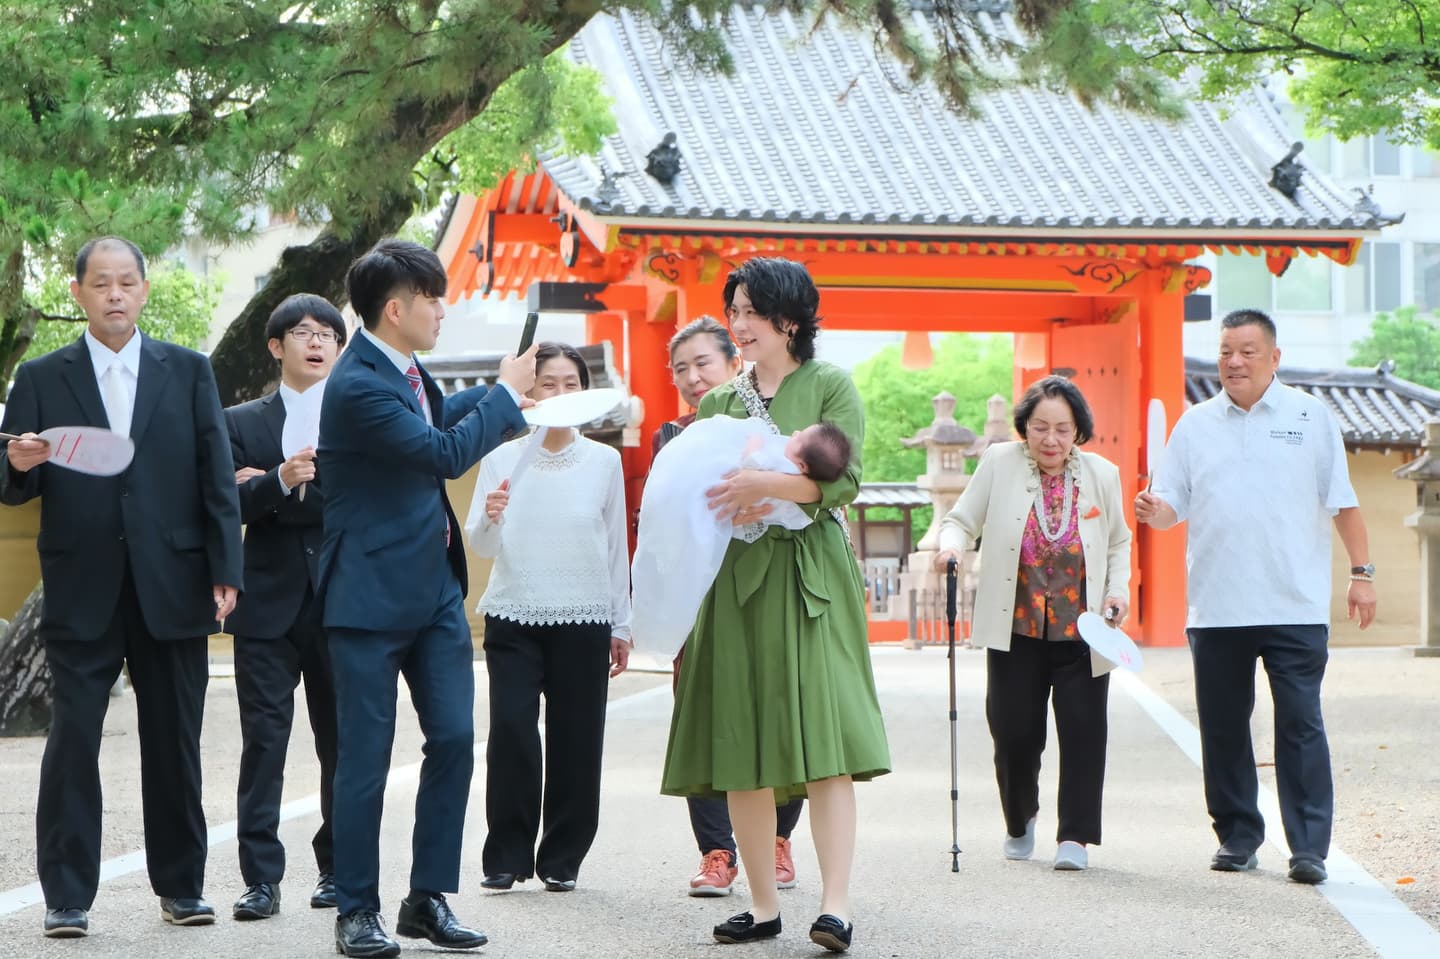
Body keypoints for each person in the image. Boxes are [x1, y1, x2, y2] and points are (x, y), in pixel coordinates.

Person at [0, 236, 243, 938]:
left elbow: (216, 476)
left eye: (126, 282)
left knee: (175, 739)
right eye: (100, 282)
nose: (114, 294)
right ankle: (67, 897)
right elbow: (18, 483)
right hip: (82, 583)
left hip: (174, 578)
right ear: (77, 293)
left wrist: (226, 567)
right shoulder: (42, 376)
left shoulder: (190, 370)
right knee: (73, 740)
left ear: (143, 290)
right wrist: (16, 463)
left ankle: (183, 886)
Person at [660, 259, 890, 954]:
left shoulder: (829, 385)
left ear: (789, 318)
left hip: (809, 577)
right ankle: (761, 906)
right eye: (732, 310)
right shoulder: (717, 404)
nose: (737, 324)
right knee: (741, 742)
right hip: (732, 581)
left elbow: (844, 479)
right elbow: (695, 493)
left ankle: (837, 906)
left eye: (749, 311)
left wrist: (770, 484)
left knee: (826, 744)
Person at [318, 238, 536, 958]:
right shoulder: (356, 384)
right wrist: (502, 397)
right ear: (395, 308)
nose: (445, 309)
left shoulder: (406, 370)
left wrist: (501, 397)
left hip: (435, 592)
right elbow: (442, 452)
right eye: (434, 298)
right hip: (367, 598)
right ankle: (355, 908)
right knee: (365, 758)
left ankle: (426, 898)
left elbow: (436, 419)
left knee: (451, 739)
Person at [1135, 309, 1377, 886]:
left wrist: (1361, 572)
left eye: (1246, 351)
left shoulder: (1309, 417)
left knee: (1300, 724)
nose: (1234, 362)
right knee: (1223, 727)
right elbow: (1171, 508)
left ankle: (1309, 847)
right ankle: (1239, 836)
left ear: (1274, 356)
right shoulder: (1193, 425)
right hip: (1218, 608)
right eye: (1224, 352)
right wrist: (1154, 510)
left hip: (1294, 603)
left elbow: (1343, 503)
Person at [932, 375, 1132, 873]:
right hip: (1015, 627)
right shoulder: (999, 463)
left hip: (1083, 631)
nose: (1051, 439)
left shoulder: (1102, 475)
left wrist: (1115, 591)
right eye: (1040, 427)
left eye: (1063, 429)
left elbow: (1117, 543)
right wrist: (951, 545)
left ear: (1078, 431)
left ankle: (1076, 838)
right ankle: (1020, 819)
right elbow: (960, 519)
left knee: (1085, 733)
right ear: (1024, 427)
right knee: (1014, 733)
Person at [463, 341, 632, 893]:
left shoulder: (605, 461)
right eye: (546, 384)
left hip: (584, 618)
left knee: (578, 737)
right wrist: (490, 517)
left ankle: (563, 856)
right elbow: (482, 546)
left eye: (571, 384)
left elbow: (613, 549)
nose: (559, 394)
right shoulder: (501, 456)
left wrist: (620, 624)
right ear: (528, 394)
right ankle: (506, 855)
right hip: (515, 613)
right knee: (511, 731)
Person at [649, 316, 808, 898]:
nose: (692, 378)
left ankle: (777, 839)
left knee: (780, 711)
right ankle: (717, 851)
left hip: (768, 590)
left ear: (733, 363)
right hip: (701, 595)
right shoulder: (672, 437)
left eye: (703, 364)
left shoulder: (776, 429)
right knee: (703, 718)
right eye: (681, 368)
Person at [224, 294, 346, 920]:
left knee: (342, 743)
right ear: (277, 347)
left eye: (328, 333)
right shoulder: (240, 420)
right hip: (265, 604)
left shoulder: (357, 415)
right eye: (302, 332)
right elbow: (224, 506)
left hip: (341, 602)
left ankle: (338, 870)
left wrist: (264, 483)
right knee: (263, 743)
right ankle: (261, 879)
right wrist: (279, 481)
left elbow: (361, 501)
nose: (316, 342)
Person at [633, 416, 852, 664]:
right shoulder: (798, 469)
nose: (796, 431)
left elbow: (751, 464)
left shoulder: (782, 465)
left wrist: (755, 444)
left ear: (802, 465)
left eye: (800, 438)